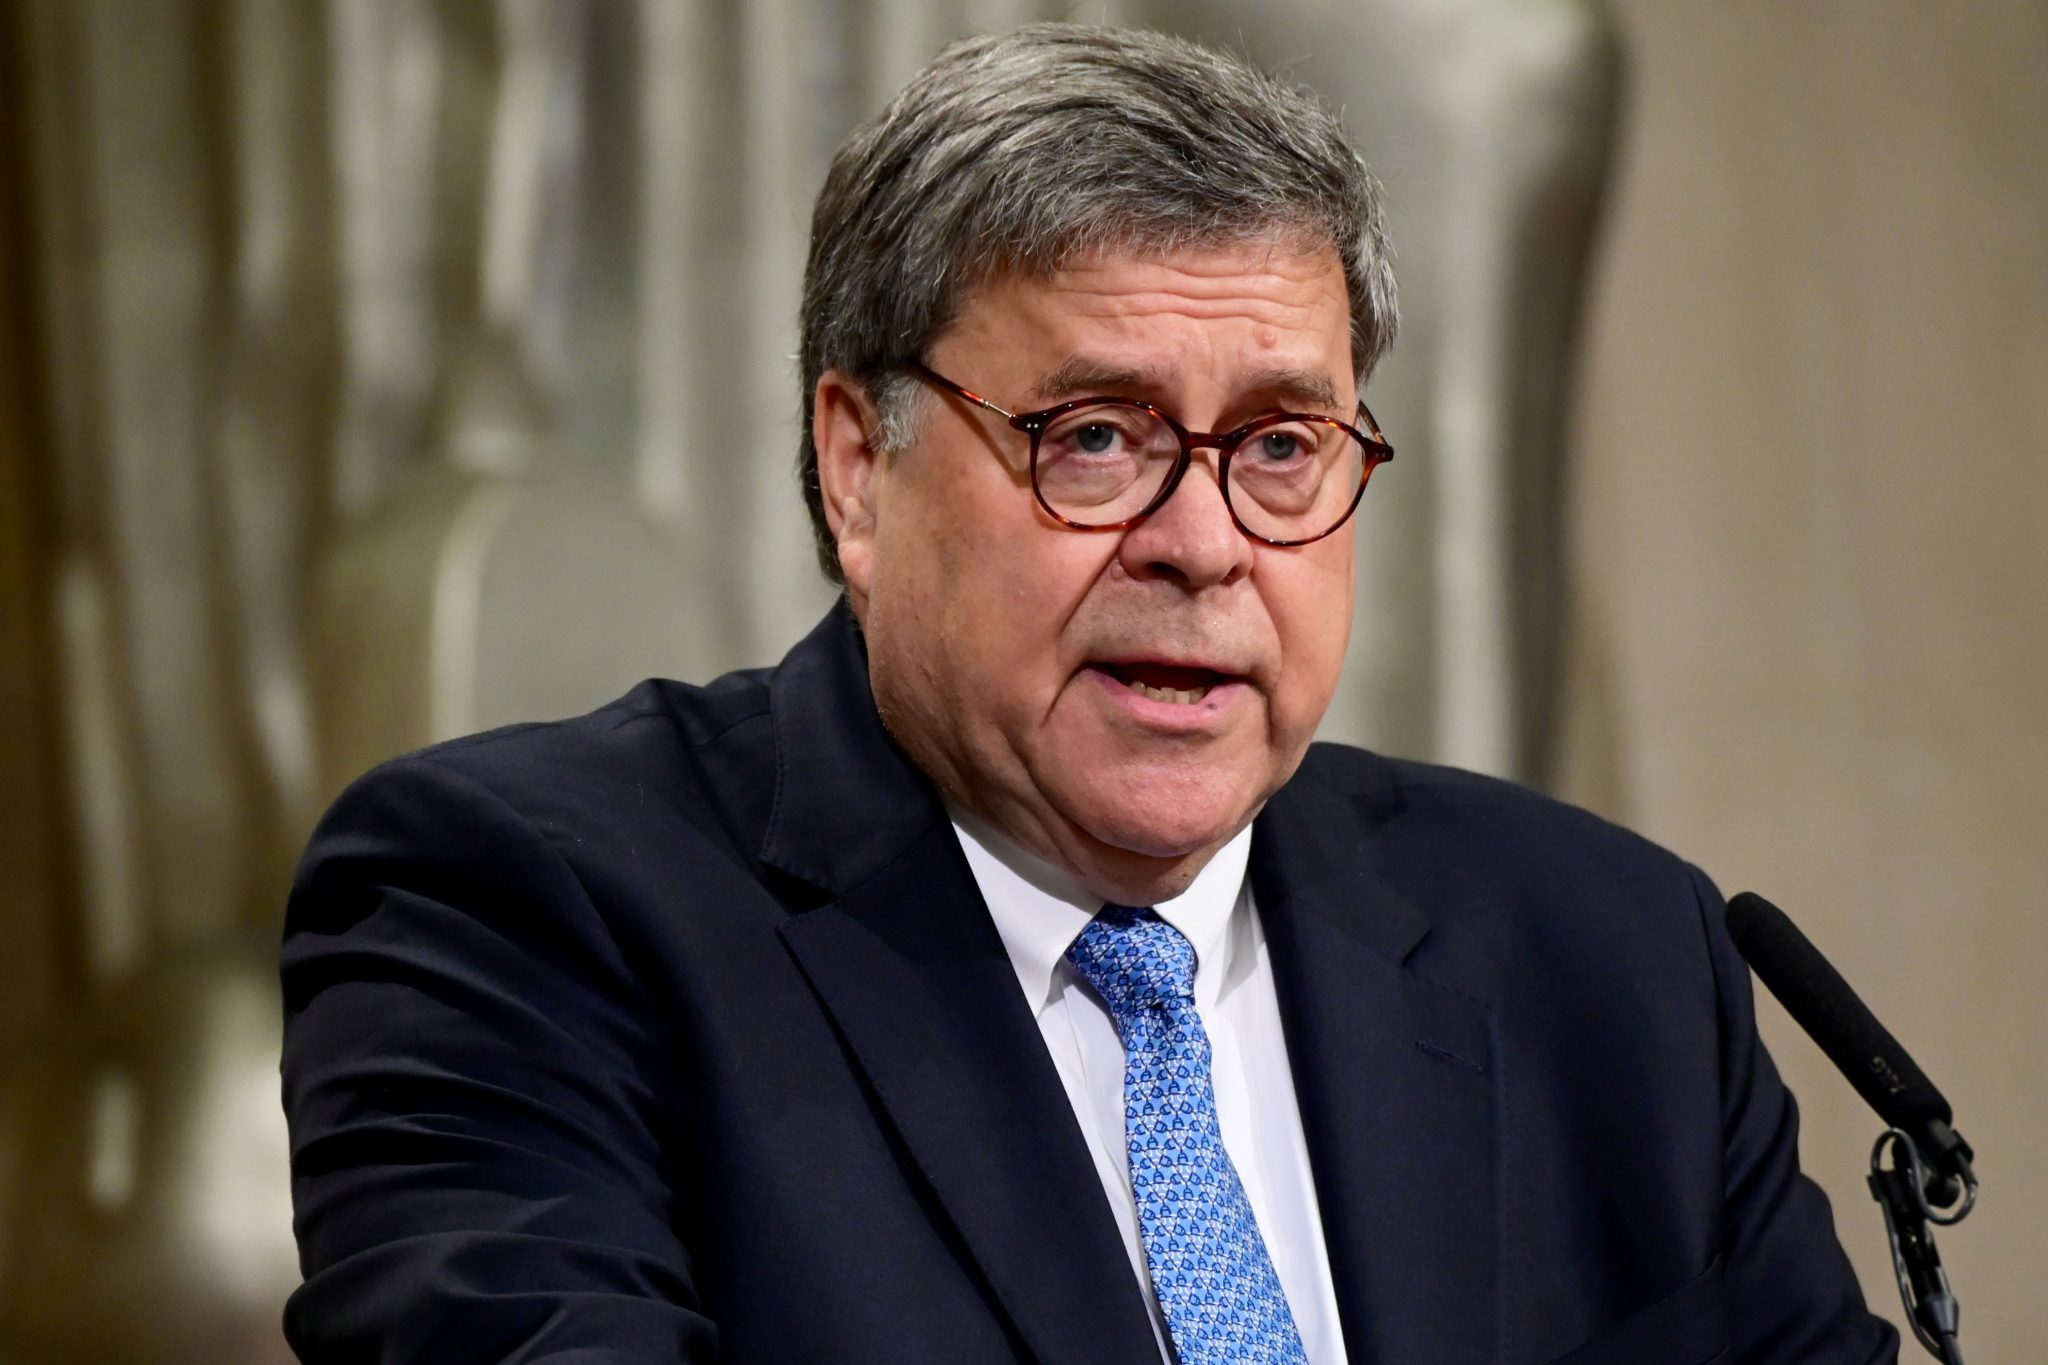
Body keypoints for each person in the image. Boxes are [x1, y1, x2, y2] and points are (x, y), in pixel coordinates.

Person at [280, 24, 1898, 1365]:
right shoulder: (522, 913)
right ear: (857, 467)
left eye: (1281, 445)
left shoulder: (1611, 960)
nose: (1203, 542)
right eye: (1098, 437)